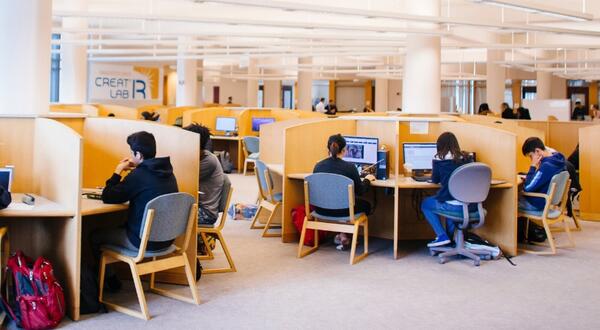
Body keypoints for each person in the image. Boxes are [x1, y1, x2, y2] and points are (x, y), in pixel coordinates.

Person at [92, 131, 178, 291]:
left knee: (95, 236)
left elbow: (108, 196)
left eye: (132, 153)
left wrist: (118, 171)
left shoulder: (138, 175)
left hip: (142, 242)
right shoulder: (168, 172)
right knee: (120, 226)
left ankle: (110, 283)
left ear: (138, 153)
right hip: (168, 239)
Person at [313, 134, 375, 250]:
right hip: (342, 211)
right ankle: (345, 235)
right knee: (366, 205)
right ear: (344, 150)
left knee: (341, 203)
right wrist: (367, 180)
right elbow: (360, 191)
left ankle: (342, 235)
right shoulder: (350, 168)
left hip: (320, 209)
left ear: (327, 149)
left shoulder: (318, 166)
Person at [420, 132, 476, 247]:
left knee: (426, 203)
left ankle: (442, 236)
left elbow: (435, 180)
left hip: (452, 206)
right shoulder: (468, 158)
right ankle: (450, 241)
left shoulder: (438, 159)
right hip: (470, 206)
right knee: (449, 199)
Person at [182, 123, 225, 225]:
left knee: (166, 215)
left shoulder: (208, 161)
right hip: (195, 205)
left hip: (205, 213)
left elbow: (181, 181)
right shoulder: (197, 157)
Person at [519, 137, 566, 213]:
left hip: (536, 204)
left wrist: (533, 166)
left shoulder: (546, 166)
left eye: (531, 156)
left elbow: (527, 188)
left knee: (509, 201)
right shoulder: (558, 160)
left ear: (537, 151)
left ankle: (523, 225)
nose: (531, 159)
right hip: (546, 201)